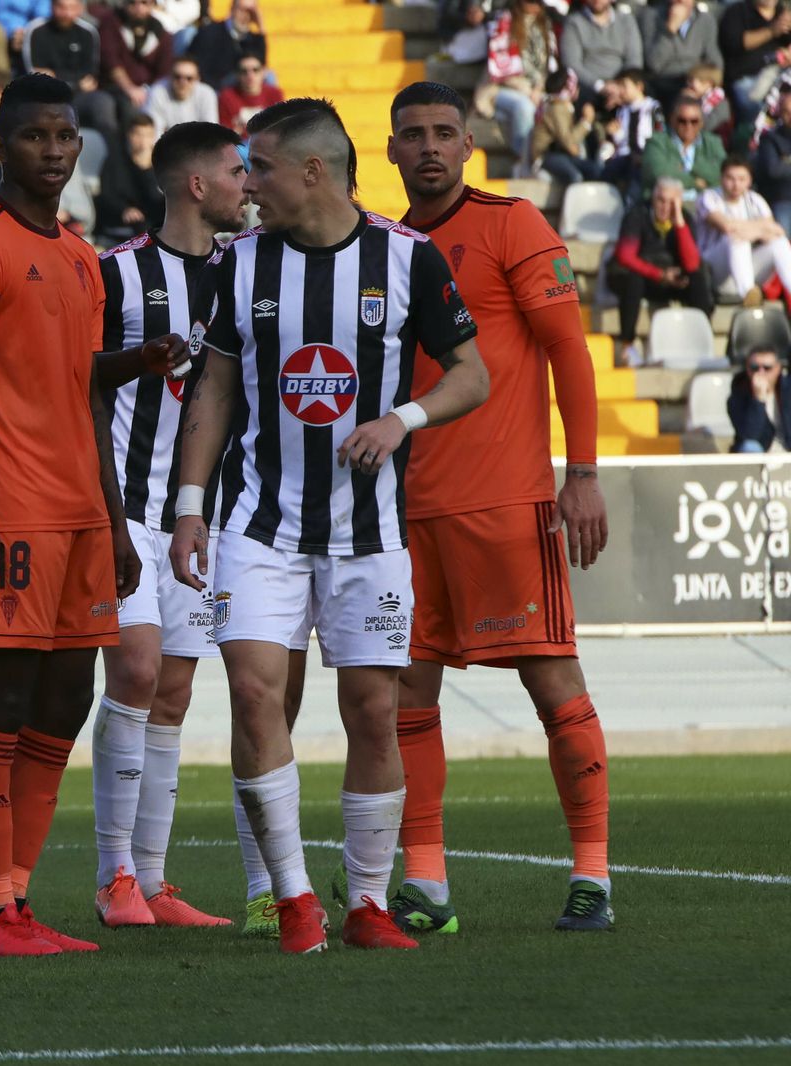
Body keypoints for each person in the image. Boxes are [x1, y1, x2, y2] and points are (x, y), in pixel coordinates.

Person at [170, 97, 489, 954]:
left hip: (371, 535)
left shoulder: (409, 259)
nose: (247, 186)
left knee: (373, 713)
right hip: (255, 525)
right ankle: (295, 897)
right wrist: (191, 508)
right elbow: (214, 392)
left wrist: (404, 420)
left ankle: (370, 904)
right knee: (250, 692)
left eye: (260, 168)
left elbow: (472, 374)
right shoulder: (239, 266)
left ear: (313, 171)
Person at [386, 80, 615, 936]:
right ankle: (426, 884)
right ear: (392, 151)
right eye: (414, 134)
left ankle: (592, 874)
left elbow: (568, 350)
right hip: (405, 513)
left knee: (551, 681)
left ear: (471, 143)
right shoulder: (382, 245)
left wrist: (581, 472)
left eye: (447, 132)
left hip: (504, 504)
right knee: (408, 690)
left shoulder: (512, 223)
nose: (431, 147)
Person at [0, 72, 140, 958]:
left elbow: (89, 396)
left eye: (65, 136)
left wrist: (116, 519)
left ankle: (15, 906)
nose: (53, 150)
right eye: (34, 136)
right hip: (8, 510)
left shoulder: (86, 255)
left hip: (81, 513)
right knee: (2, 697)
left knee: (64, 702)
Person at [88, 119, 268, 934]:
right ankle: (113, 875)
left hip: (208, 518)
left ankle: (154, 882)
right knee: (135, 669)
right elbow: (82, 389)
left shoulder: (254, 273)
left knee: (176, 689)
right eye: (237, 171)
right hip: (125, 512)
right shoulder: (116, 275)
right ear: (197, 185)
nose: (249, 184)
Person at [608, 177, 714, 366]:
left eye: (671, 202)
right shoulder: (636, 215)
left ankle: (701, 337)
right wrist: (659, 274)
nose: (665, 207)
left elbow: (691, 264)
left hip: (672, 279)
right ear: (653, 198)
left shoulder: (685, 219)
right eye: (661, 200)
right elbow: (625, 256)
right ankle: (627, 345)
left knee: (698, 278)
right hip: (642, 276)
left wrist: (679, 223)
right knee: (633, 280)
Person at [21, 0, 118, 147]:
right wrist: (73, 81)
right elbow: (36, 76)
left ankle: (112, 155)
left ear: (80, 9)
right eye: (61, 7)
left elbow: (90, 77)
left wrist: (56, 76)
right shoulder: (36, 30)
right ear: (52, 6)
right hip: (45, 98)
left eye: (72, 8)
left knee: (103, 102)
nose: (66, 13)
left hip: (79, 97)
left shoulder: (88, 33)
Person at [697, 156, 791, 304]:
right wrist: (760, 228)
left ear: (749, 181)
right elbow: (726, 227)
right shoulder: (709, 197)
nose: (736, 185)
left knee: (779, 243)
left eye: (741, 179)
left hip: (747, 268)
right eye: (730, 178)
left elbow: (777, 231)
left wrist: (753, 230)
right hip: (714, 270)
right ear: (721, 178)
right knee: (735, 238)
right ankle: (748, 294)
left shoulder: (754, 199)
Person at [478, 0, 554, 175]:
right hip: (502, 88)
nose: (536, 6)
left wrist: (539, 88)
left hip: (537, 88)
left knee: (556, 106)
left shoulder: (545, 24)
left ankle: (545, 163)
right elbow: (500, 67)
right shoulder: (504, 22)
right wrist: (527, 90)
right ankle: (523, 161)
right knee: (525, 107)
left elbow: (548, 66)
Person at [719, 0, 791, 138]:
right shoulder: (738, 11)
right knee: (752, 114)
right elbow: (736, 42)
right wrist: (771, 30)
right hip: (746, 77)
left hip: (781, 77)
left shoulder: (783, 13)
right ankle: (746, 150)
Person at [97, 0, 175, 118]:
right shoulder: (111, 23)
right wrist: (130, 89)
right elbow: (111, 61)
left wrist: (150, 91)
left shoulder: (159, 30)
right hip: (115, 87)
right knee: (130, 108)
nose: (139, 8)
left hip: (149, 89)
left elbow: (164, 68)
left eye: (144, 3)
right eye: (132, 3)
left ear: (153, 5)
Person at [640, 0, 723, 110]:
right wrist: (670, 30)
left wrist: (703, 83)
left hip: (696, 79)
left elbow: (714, 61)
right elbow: (654, 64)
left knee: (720, 102)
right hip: (665, 81)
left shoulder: (706, 20)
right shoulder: (651, 16)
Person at [641, 95, 726, 200]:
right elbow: (659, 173)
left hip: (704, 205)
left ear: (701, 122)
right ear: (672, 120)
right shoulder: (656, 141)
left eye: (694, 121)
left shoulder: (712, 142)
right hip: (667, 204)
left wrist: (683, 169)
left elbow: (722, 174)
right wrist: (695, 182)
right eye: (682, 121)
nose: (688, 126)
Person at [97, 113, 163, 243]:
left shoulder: (161, 165)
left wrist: (146, 169)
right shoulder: (115, 161)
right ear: (129, 135)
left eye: (148, 135)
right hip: (122, 222)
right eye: (138, 134)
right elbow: (106, 194)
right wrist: (124, 209)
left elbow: (158, 199)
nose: (143, 140)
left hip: (154, 222)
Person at [561, 0, 642, 105]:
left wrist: (622, 87)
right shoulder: (574, 23)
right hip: (588, 87)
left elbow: (634, 60)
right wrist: (601, 86)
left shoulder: (626, 21)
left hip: (622, 86)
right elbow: (572, 64)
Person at [532, 69, 601, 187]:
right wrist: (586, 122)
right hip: (547, 155)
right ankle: (577, 205)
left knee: (595, 169)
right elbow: (568, 143)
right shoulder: (556, 108)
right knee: (575, 176)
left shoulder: (565, 106)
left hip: (562, 155)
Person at [186, 0, 265, 92]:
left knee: (269, 76)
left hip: (239, 91)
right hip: (212, 88)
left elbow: (261, 65)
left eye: (250, 12)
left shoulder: (251, 38)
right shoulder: (211, 32)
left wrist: (261, 26)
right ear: (232, 9)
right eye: (242, 10)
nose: (245, 16)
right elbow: (196, 67)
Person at [729, 345, 791, 451]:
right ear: (748, 369)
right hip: (762, 451)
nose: (760, 372)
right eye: (755, 368)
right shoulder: (738, 398)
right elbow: (750, 435)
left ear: (778, 368)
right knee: (749, 447)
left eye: (767, 368)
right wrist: (758, 400)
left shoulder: (788, 390)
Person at [147, 58, 218, 135]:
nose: (183, 82)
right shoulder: (158, 91)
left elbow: (211, 133)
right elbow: (154, 133)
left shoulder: (207, 94)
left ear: (197, 79)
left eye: (189, 78)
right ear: (170, 76)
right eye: (177, 77)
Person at [753, 91, 791, 235]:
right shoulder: (770, 138)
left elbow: (781, 168)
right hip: (783, 199)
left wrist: (786, 161)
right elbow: (773, 170)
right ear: (780, 113)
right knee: (782, 238)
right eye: (787, 112)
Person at [217, 54, 283, 136]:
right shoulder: (226, 97)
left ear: (264, 72)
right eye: (244, 71)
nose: (250, 75)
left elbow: (280, 130)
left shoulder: (275, 94)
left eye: (255, 70)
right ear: (237, 74)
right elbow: (226, 136)